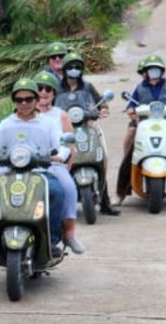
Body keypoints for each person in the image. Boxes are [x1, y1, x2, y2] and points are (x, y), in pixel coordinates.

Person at [0, 79, 83, 256]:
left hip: (41, 170)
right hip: (10, 168)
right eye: (19, 100)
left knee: (58, 191)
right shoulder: (6, 123)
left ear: (36, 100)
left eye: (28, 99)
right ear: (14, 101)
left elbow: (62, 144)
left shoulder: (47, 123)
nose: (24, 103)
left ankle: (54, 239)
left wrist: (60, 155)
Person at [116, 54, 166, 206]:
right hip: (143, 125)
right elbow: (131, 107)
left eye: (157, 69)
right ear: (145, 72)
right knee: (131, 142)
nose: (154, 72)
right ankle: (121, 194)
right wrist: (133, 114)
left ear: (162, 71)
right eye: (151, 69)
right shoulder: (139, 88)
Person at [55, 54, 120, 215]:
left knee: (102, 156)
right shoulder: (57, 88)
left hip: (88, 126)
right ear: (64, 69)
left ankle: (105, 202)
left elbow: (101, 102)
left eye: (77, 67)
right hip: (64, 129)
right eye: (70, 67)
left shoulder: (87, 87)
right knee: (58, 160)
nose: (74, 70)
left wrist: (103, 109)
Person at [33, 71, 85, 253]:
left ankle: (68, 234)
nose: (43, 92)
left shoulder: (60, 115)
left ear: (54, 93)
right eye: (39, 88)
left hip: (52, 163)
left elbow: (70, 145)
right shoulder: (22, 113)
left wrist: (63, 163)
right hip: (24, 163)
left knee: (69, 188)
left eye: (48, 89)